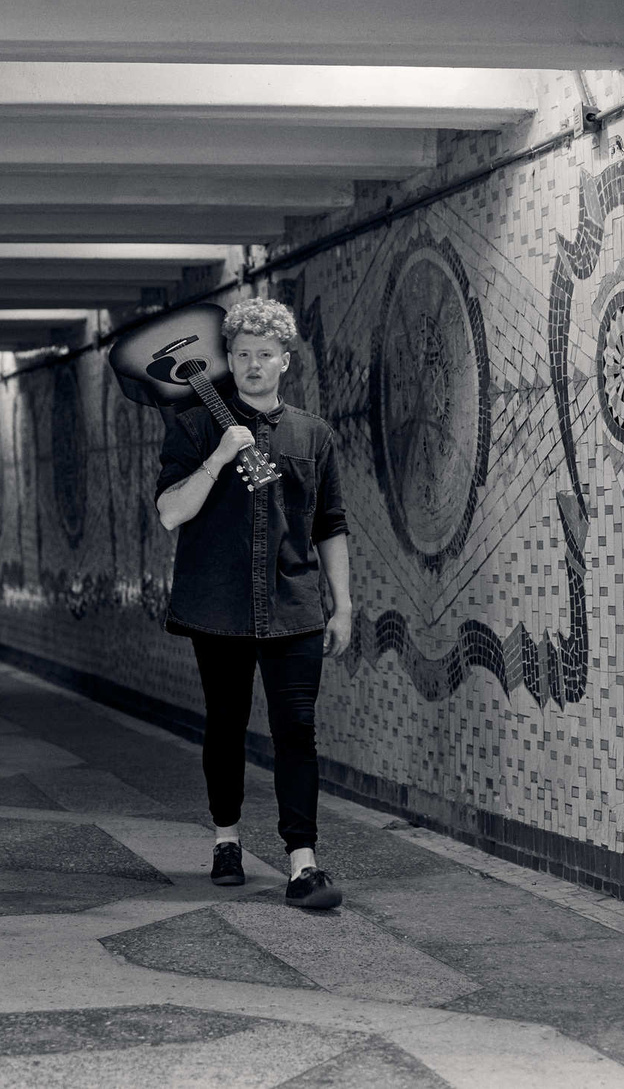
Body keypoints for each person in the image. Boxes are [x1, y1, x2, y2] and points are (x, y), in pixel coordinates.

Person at [154, 296, 351, 910]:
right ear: (229, 360)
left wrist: (344, 605)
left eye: (265, 355)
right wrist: (219, 457)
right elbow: (170, 513)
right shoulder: (194, 426)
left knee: (297, 729)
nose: (253, 365)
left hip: (294, 604)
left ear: (285, 360)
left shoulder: (313, 435)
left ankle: (303, 864)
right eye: (242, 355)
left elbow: (330, 524)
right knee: (226, 725)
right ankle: (226, 840)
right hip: (219, 607)